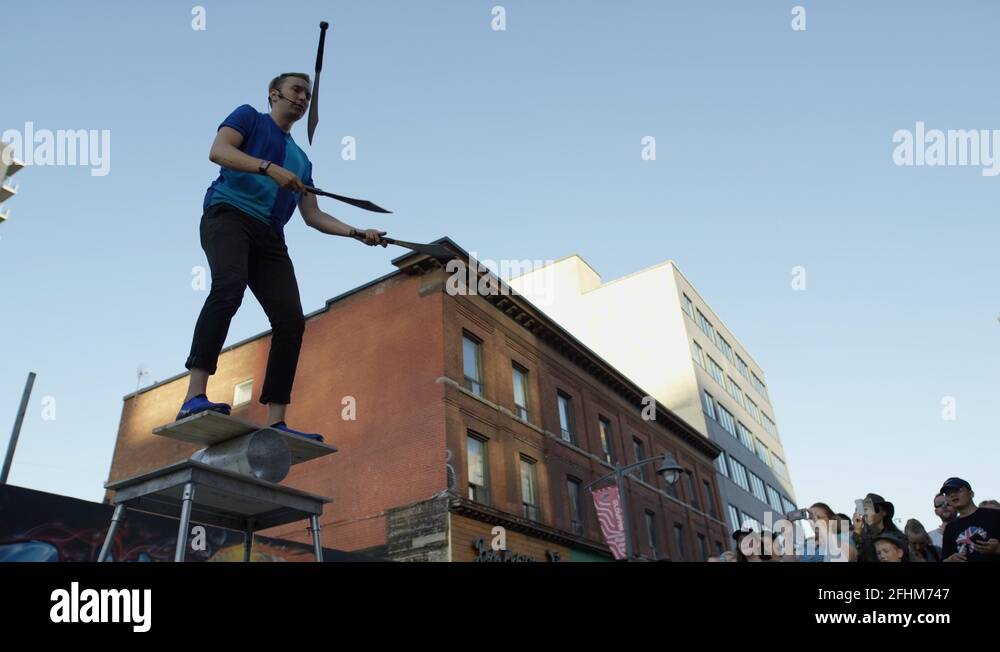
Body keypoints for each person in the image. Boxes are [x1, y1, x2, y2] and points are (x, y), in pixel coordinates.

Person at [177, 72, 388, 441]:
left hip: (269, 236)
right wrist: (268, 168)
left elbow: (313, 216)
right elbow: (219, 151)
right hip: (228, 215)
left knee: (291, 321)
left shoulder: (302, 162)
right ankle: (194, 396)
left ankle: (275, 420)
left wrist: (358, 233)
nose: (303, 98)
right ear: (274, 94)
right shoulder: (249, 118)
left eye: (308, 94)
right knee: (230, 287)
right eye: (296, 91)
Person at [939, 477, 1000, 562]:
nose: (953, 495)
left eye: (957, 490)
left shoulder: (995, 515)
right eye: (948, 494)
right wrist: (951, 560)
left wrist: (997, 549)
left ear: (971, 494)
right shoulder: (950, 528)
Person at [853, 493, 904, 563]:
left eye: (874, 508)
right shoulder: (859, 536)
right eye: (865, 510)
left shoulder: (898, 537)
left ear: (884, 512)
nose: (868, 513)